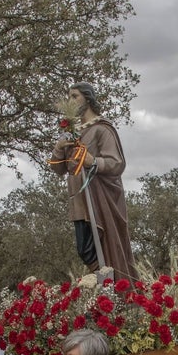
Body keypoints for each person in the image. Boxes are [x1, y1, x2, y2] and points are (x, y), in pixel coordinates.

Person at [49, 82, 135, 280]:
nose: (71, 101)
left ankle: (110, 286)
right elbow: (58, 168)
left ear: (87, 98)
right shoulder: (72, 133)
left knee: (101, 245)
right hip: (79, 197)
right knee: (85, 249)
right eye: (69, 97)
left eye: (75, 96)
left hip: (99, 197)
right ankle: (103, 286)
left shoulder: (101, 129)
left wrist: (93, 161)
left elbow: (117, 163)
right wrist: (60, 147)